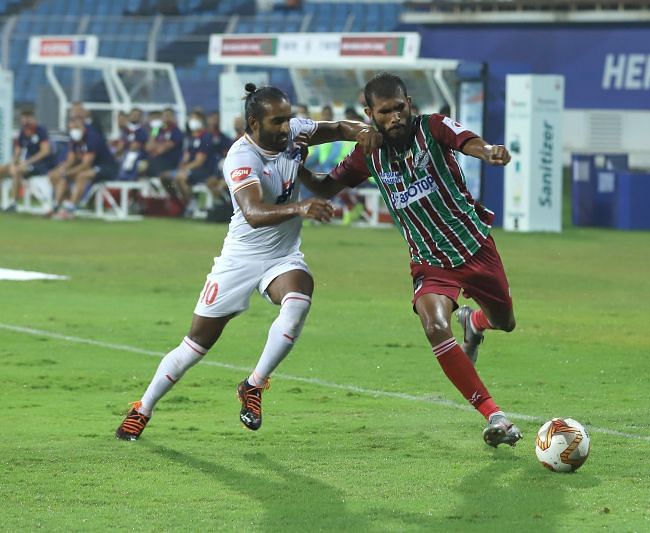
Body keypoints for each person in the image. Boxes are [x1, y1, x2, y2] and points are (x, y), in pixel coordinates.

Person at [115, 83, 382, 441]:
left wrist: (368, 132)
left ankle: (254, 385)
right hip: (240, 259)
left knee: (299, 299)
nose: (287, 127)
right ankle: (142, 409)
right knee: (194, 347)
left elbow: (338, 129)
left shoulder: (293, 132)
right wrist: (301, 207)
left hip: (282, 257)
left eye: (288, 118)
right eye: (278, 121)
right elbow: (254, 212)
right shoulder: (241, 157)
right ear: (254, 122)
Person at [299, 72, 521, 447]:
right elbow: (324, 186)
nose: (395, 117)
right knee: (434, 326)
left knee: (506, 322)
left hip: (474, 245)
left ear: (410, 104)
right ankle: (494, 414)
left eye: (400, 108)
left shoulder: (431, 128)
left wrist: (489, 152)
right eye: (385, 112)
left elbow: (467, 141)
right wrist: (298, 164)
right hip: (429, 260)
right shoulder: (367, 154)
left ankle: (474, 321)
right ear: (369, 112)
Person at [48, 116, 117, 219]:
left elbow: (86, 164)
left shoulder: (92, 138)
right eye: (72, 128)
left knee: (81, 175)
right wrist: (61, 169)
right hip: (90, 167)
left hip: (105, 167)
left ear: (82, 126)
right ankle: (57, 205)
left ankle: (70, 208)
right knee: (55, 175)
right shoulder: (74, 139)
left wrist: (68, 172)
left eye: (76, 127)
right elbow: (70, 160)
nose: (74, 130)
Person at [0, 109, 55, 212]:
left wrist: (26, 162)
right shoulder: (23, 132)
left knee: (18, 171)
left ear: (33, 119)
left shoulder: (41, 131)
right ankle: (3, 201)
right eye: (23, 119)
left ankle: (13, 203)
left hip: (40, 165)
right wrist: (12, 164)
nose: (25, 122)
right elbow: (17, 151)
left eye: (27, 119)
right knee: (2, 169)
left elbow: (45, 151)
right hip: (26, 164)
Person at [163, 109, 216, 216]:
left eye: (195, 118)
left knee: (180, 177)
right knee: (165, 176)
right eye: (191, 118)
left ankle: (192, 202)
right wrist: (181, 165)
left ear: (201, 121)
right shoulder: (190, 137)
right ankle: (177, 202)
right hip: (189, 169)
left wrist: (184, 169)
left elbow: (199, 162)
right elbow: (186, 156)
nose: (192, 121)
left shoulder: (205, 137)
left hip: (203, 170)